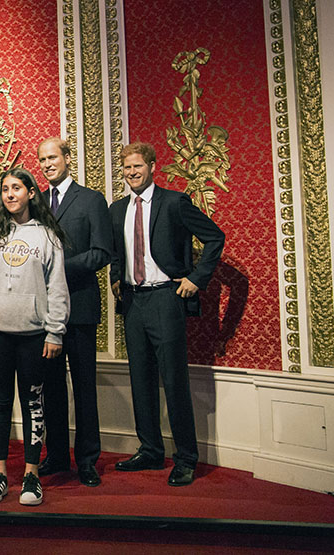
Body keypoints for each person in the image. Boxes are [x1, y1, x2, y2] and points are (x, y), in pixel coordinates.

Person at [109, 142, 224, 487]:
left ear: (153, 166)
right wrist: (117, 276)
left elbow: (215, 237)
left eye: (137, 167)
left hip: (165, 299)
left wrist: (195, 278)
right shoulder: (117, 210)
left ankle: (186, 458)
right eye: (127, 168)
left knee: (174, 380)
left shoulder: (174, 202)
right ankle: (150, 449)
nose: (132, 173)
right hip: (133, 303)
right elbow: (117, 250)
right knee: (140, 379)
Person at [0, 167, 69, 506]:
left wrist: (55, 331)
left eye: (16, 188)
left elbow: (57, 288)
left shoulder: (48, 236)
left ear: (30, 193)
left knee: (32, 404)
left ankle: (31, 475)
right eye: (5, 190)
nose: (9, 194)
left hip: (34, 334)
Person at [36, 138, 113, 487]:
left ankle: (86, 460)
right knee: (50, 387)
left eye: (53, 157)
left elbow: (101, 253)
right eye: (42, 159)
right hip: (43, 313)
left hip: (80, 308)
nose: (47, 163)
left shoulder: (92, 200)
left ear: (68, 158)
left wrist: (58, 267)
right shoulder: (36, 201)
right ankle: (56, 456)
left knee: (83, 388)